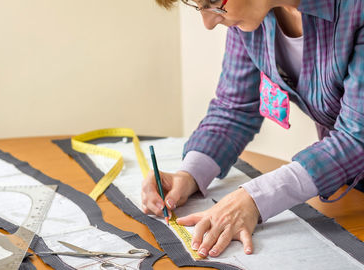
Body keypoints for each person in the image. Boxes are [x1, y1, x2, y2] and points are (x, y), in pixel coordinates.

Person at [141, 0, 364, 258]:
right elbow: (234, 108)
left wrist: (255, 198)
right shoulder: (255, 16)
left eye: (212, 2)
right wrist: (190, 174)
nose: (208, 23)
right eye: (199, 7)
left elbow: (356, 137)